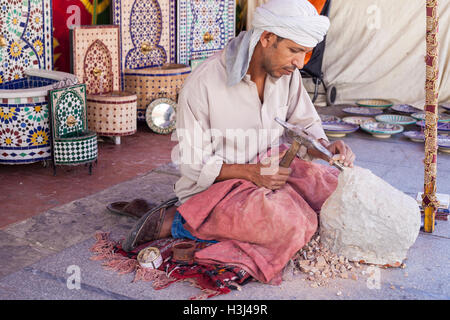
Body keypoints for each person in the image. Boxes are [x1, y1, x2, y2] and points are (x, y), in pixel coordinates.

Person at [121, 0, 355, 283]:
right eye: (294, 51)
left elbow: (304, 122)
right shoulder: (204, 83)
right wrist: (251, 174)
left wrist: (324, 146)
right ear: (267, 38)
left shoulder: (286, 74)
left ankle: (252, 214)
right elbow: (192, 162)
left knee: (331, 188)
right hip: (218, 187)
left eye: (304, 54)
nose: (299, 63)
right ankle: (180, 221)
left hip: (267, 170)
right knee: (293, 224)